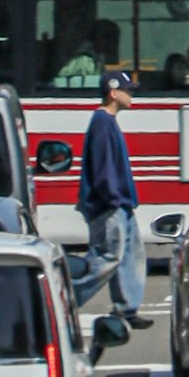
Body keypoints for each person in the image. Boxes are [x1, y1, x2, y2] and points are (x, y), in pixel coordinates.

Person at [73, 68, 148, 326]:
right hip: (110, 205)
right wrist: (114, 199)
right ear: (113, 93)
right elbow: (104, 168)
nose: (131, 95)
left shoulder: (107, 122)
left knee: (130, 256)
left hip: (122, 204)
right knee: (107, 257)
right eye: (127, 91)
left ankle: (127, 309)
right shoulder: (102, 123)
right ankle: (65, 297)